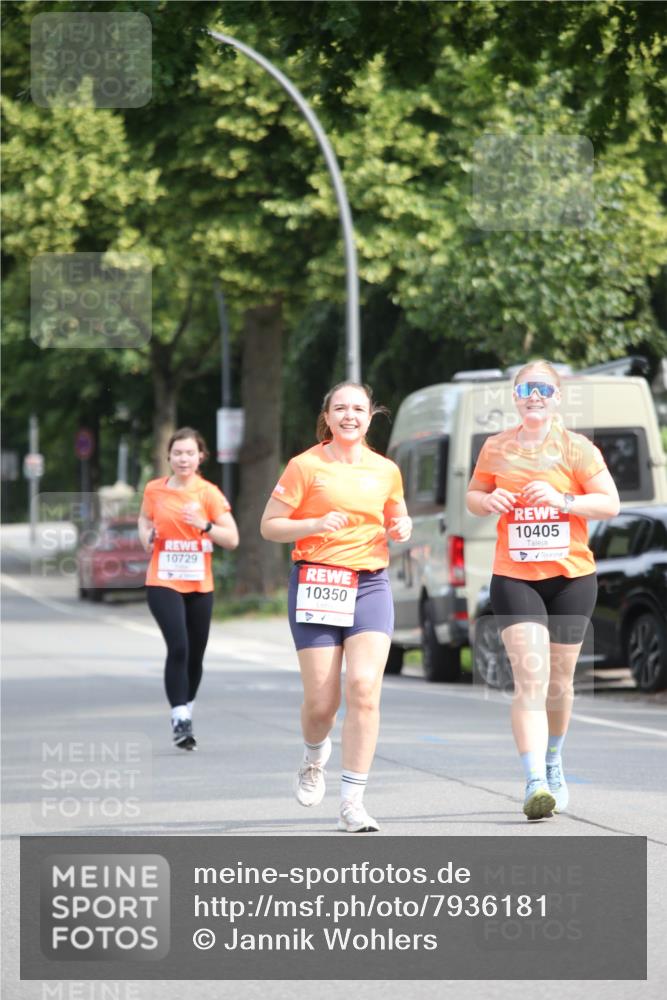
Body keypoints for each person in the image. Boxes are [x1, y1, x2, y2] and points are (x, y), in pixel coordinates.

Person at [467, 360, 620, 819]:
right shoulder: (495, 448)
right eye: (526, 388)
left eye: (544, 389)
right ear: (515, 397)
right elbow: (474, 497)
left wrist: (564, 500)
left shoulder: (578, 449)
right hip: (514, 575)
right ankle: (534, 780)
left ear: (558, 398)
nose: (535, 395)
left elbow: (610, 503)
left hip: (571, 576)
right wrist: (487, 500)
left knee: (559, 683)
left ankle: (554, 758)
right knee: (530, 678)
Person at [260, 382, 412, 833]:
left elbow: (396, 518)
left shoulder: (386, 470)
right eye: (340, 408)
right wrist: (314, 523)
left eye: (359, 408)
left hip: (369, 584)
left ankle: (352, 803)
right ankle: (313, 756)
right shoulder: (304, 466)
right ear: (326, 417)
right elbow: (270, 526)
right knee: (323, 703)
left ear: (371, 416)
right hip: (317, 582)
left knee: (364, 689)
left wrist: (401, 527)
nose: (350, 415)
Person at [138, 428, 239, 750]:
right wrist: (146, 537)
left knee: (196, 653)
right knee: (178, 646)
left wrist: (204, 525)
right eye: (177, 453)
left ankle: (187, 709)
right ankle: (179, 715)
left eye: (189, 453)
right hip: (163, 579)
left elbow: (232, 539)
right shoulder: (154, 490)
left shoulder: (208, 493)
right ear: (168, 457)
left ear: (200, 457)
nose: (183, 459)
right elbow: (144, 519)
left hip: (199, 583)